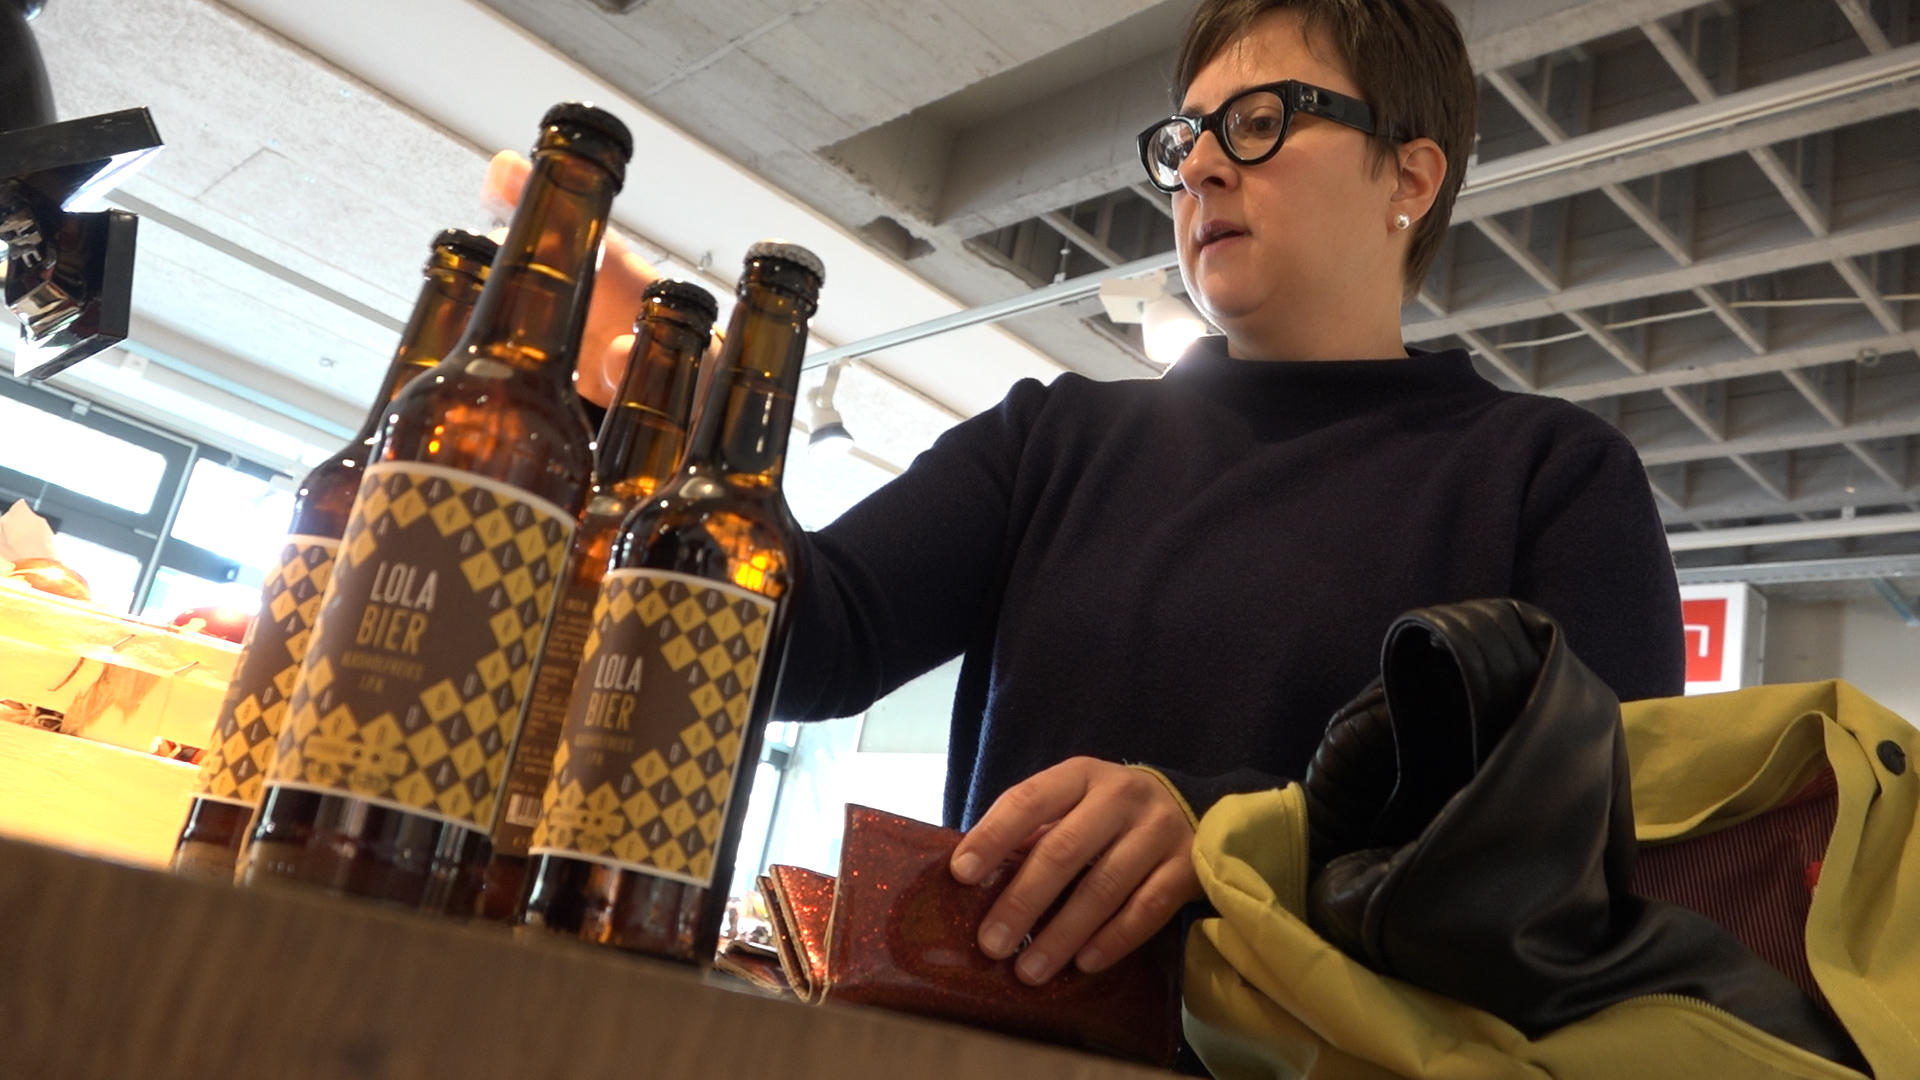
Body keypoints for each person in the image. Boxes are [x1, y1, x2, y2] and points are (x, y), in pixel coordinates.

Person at [519, 0, 1684, 994]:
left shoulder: (1549, 476)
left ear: (1410, 177)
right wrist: (662, 431)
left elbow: (1604, 845)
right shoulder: (1056, 440)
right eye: (1188, 138)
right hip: (998, 1046)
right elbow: (807, 641)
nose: (1205, 166)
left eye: (1264, 122)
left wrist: (1236, 830)